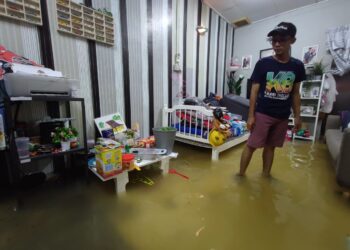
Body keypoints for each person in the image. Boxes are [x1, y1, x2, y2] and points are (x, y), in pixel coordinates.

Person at [238, 22, 306, 177]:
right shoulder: (263, 63)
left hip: (282, 116)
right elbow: (254, 92)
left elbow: (295, 93)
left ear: (292, 40)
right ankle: (240, 175)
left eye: (282, 40)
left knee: (271, 147)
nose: (277, 44)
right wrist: (250, 116)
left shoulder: (297, 66)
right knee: (251, 145)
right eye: (274, 40)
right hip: (263, 114)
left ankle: (265, 177)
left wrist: (297, 117)